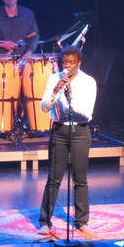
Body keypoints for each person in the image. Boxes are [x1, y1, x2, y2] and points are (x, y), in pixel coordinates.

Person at [38, 46, 97, 235]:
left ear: (79, 63)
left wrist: (68, 97)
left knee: (80, 179)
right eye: (65, 62)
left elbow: (87, 113)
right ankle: (45, 221)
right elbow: (45, 108)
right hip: (59, 131)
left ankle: (82, 221)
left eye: (72, 63)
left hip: (80, 131)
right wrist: (56, 91)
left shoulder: (88, 82)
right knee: (54, 179)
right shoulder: (54, 79)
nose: (68, 66)